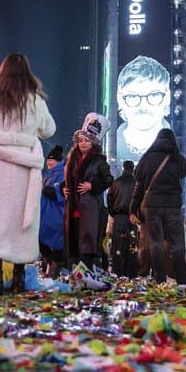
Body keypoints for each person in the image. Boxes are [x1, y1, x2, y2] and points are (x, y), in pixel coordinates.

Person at [0, 53, 56, 292]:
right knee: (19, 220)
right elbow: (49, 129)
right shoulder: (35, 100)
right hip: (23, 168)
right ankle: (18, 277)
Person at [132, 127, 186, 283]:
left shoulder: (147, 157)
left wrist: (133, 208)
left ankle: (160, 278)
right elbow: (184, 173)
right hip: (173, 205)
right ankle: (182, 279)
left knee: (155, 242)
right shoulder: (178, 158)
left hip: (152, 206)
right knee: (177, 243)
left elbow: (138, 177)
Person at [64, 113, 115, 270]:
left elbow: (108, 179)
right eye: (81, 140)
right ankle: (76, 271)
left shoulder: (99, 161)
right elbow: (67, 180)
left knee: (87, 240)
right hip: (73, 206)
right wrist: (63, 189)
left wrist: (92, 186)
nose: (83, 143)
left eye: (87, 140)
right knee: (74, 237)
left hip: (90, 206)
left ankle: (86, 270)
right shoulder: (72, 160)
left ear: (93, 143)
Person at [114, 56, 171, 166]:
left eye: (154, 95)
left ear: (167, 98)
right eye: (133, 96)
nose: (143, 106)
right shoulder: (106, 147)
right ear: (120, 99)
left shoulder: (179, 148)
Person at [106, 160, 138, 278]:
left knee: (118, 246)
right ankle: (131, 273)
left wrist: (113, 213)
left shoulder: (116, 183)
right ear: (133, 168)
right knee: (132, 246)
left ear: (123, 168)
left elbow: (109, 199)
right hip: (132, 218)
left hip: (119, 218)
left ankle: (118, 273)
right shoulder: (136, 183)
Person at [39, 145, 66, 275]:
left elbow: (58, 193)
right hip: (45, 214)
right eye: (47, 160)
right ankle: (49, 263)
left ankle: (55, 267)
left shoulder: (62, 174)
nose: (48, 162)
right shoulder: (47, 174)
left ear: (58, 161)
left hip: (56, 214)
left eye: (51, 160)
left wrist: (42, 188)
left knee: (56, 242)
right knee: (40, 239)